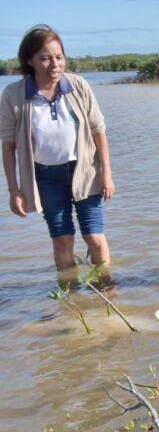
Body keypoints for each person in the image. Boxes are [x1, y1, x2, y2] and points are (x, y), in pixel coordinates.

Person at [1, 24, 116, 279]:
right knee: (62, 240)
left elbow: (98, 130)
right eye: (45, 58)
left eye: (59, 56)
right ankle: (71, 297)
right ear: (29, 60)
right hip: (46, 177)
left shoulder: (78, 85)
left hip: (84, 171)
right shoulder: (13, 94)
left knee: (94, 236)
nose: (55, 64)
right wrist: (14, 190)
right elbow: (7, 146)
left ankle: (106, 291)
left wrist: (106, 173)